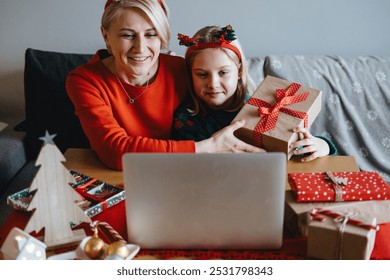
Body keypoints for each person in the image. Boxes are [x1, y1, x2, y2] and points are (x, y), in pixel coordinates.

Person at [66, 0, 263, 170]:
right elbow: (114, 151)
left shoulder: (181, 69)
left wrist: (286, 135)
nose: (140, 48)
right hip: (118, 177)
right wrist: (206, 147)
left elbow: (225, 105)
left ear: (162, 36)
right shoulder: (85, 81)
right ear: (106, 36)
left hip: (179, 174)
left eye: (151, 34)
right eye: (127, 35)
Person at [172, 25, 337, 162]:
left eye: (223, 73)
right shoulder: (185, 119)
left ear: (239, 71)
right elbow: (186, 166)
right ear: (190, 74)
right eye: (202, 74)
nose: (213, 83)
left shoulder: (260, 107)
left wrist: (323, 145)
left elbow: (294, 146)